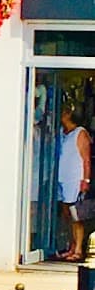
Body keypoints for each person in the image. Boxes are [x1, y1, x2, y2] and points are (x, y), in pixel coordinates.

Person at [54, 105, 91, 261]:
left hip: (75, 179)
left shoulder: (80, 133)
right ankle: (71, 246)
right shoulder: (63, 134)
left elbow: (86, 159)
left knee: (77, 216)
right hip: (63, 178)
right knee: (67, 215)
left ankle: (78, 249)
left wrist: (86, 180)